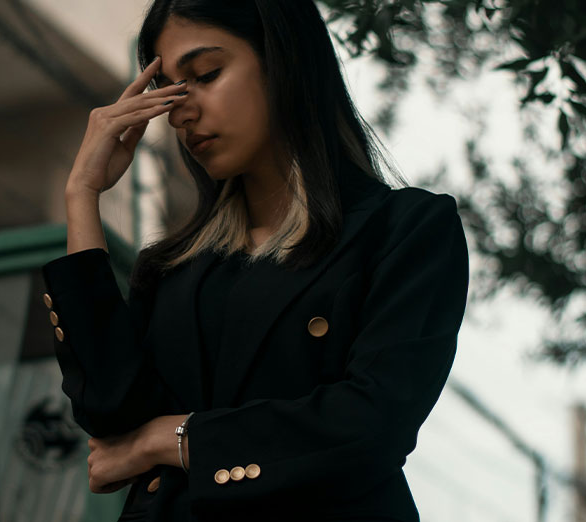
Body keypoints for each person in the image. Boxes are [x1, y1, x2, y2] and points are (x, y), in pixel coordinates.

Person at [40, 1, 470, 521]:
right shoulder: (174, 267)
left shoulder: (402, 230)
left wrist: (169, 438)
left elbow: (373, 422)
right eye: (168, 91)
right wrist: (83, 194)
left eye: (206, 74)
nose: (181, 111)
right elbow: (109, 415)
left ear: (284, 62)